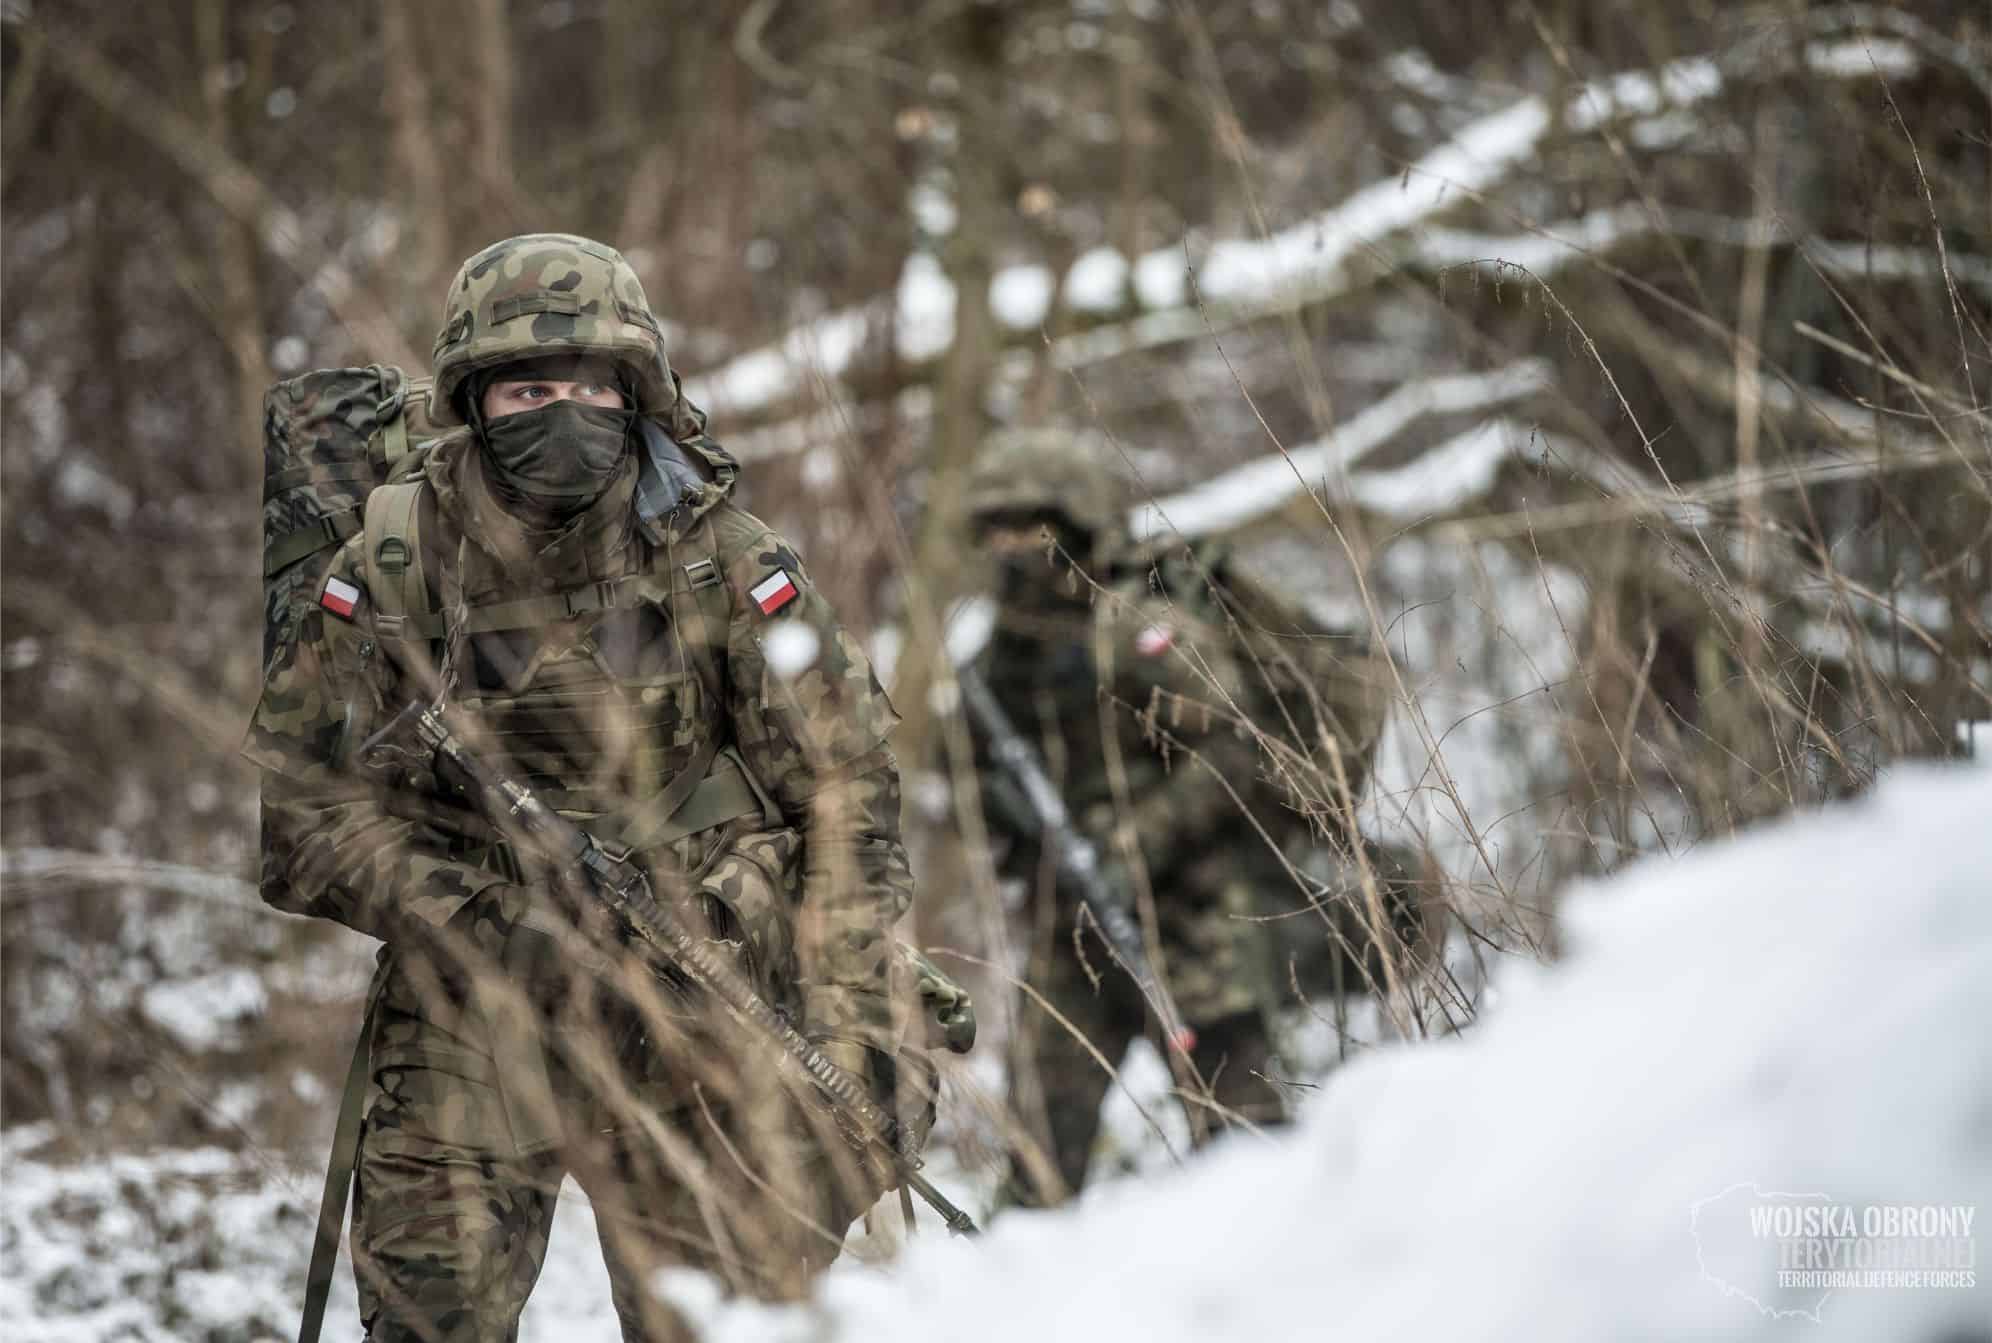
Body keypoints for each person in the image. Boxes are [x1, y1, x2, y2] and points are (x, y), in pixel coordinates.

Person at [245, 233, 923, 1341]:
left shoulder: (717, 554)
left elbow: (846, 795)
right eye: (527, 388)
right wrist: (491, 924)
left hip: (690, 1008)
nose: (561, 411)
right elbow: (303, 822)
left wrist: (842, 1019)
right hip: (469, 1017)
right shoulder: (387, 566)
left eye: (588, 385)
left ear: (634, 389)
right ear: (475, 398)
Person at [959, 426, 1394, 1208]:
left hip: (1195, 922)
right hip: (1076, 932)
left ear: (1078, 522)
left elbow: (1233, 752)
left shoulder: (1137, 627)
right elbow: (985, 791)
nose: (1011, 547)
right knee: (1035, 1172)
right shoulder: (1000, 658)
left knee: (1247, 1154)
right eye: (998, 529)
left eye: (1031, 525)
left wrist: (1134, 843)